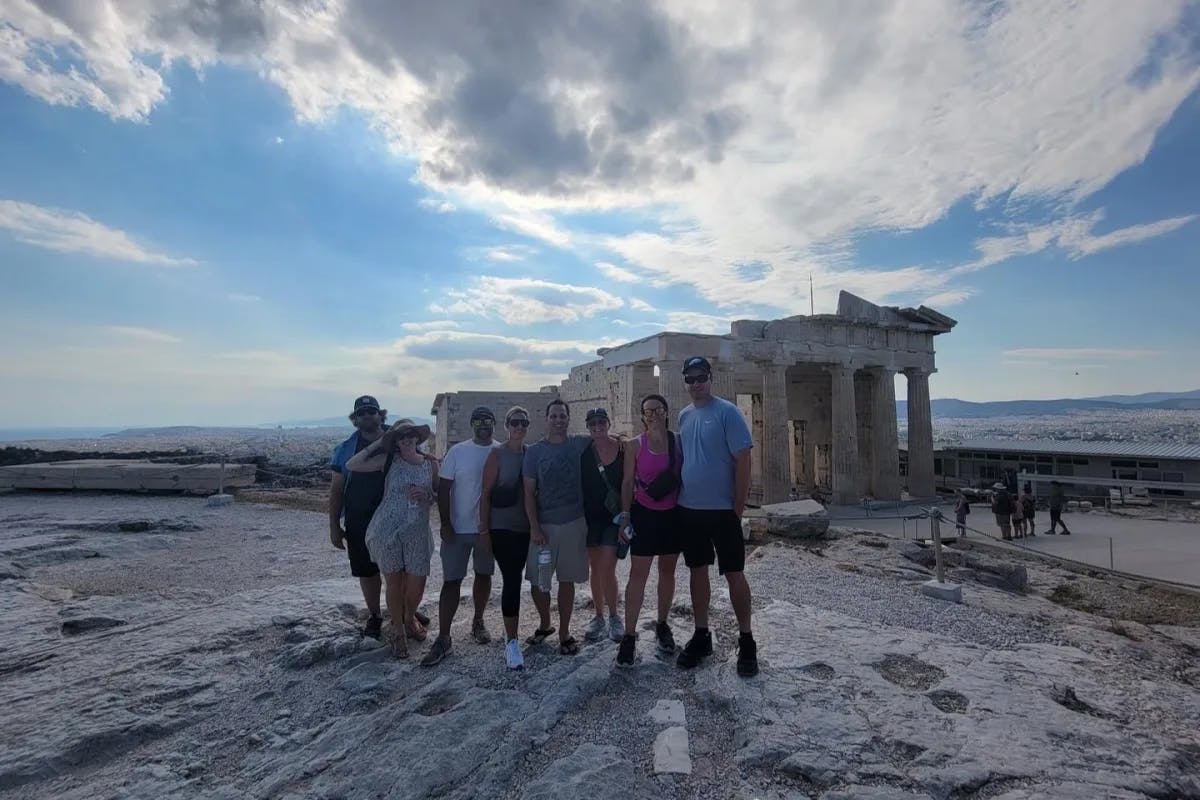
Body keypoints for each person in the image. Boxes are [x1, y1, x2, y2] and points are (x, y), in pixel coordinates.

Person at [675, 356, 758, 678]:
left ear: (711, 378)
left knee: (734, 572)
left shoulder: (727, 412)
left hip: (722, 510)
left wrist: (737, 506)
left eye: (700, 377)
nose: (695, 383)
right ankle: (701, 633)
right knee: (698, 572)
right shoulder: (684, 415)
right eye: (690, 378)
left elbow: (743, 459)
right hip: (690, 508)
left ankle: (747, 637)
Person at [345, 419, 437, 658]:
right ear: (395, 441)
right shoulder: (388, 461)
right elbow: (352, 464)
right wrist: (378, 444)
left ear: (417, 437)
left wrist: (428, 495)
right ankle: (398, 631)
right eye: (400, 436)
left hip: (417, 531)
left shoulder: (430, 464)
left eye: (410, 434)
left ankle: (409, 618)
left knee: (418, 582)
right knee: (394, 582)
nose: (406, 439)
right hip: (388, 530)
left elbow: (437, 494)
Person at [421, 406, 500, 667]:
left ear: (494, 424)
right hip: (458, 527)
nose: (483, 425)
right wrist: (445, 523)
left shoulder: (499, 451)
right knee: (451, 581)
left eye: (487, 420)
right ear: (472, 425)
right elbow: (444, 488)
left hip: (485, 529)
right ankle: (444, 636)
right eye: (478, 421)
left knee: (483, 574)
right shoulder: (458, 452)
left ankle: (478, 620)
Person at [616, 393, 683, 666]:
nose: (652, 414)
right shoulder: (634, 445)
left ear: (666, 412)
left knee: (667, 571)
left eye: (657, 409)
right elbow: (627, 480)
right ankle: (629, 635)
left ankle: (662, 623)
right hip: (644, 514)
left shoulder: (677, 441)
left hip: (673, 514)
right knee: (638, 575)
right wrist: (625, 517)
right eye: (647, 411)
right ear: (642, 416)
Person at [523, 399, 593, 656]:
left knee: (567, 580)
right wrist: (534, 527)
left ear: (568, 418)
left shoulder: (577, 443)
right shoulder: (534, 452)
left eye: (562, 416)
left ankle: (564, 631)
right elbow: (528, 492)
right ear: (547, 418)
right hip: (545, 526)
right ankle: (545, 623)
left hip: (574, 522)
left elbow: (605, 436)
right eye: (554, 416)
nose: (558, 420)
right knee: (539, 582)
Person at [328, 395, 387, 638]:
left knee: (400, 568)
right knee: (367, 570)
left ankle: (406, 610)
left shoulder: (398, 438)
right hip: (359, 516)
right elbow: (336, 489)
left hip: (393, 513)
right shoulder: (345, 449)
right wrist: (334, 525)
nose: (367, 416)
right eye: (362, 413)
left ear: (379, 414)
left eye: (371, 412)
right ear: (356, 418)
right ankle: (375, 614)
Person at [480, 406, 533, 670]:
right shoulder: (496, 454)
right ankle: (512, 641)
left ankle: (532, 628)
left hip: (527, 528)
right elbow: (485, 493)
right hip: (502, 528)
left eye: (523, 423)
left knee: (527, 579)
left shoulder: (529, 453)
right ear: (506, 425)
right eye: (514, 422)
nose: (519, 427)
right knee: (511, 579)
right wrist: (483, 531)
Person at [580, 407, 624, 643]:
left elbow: (627, 481)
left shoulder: (622, 448)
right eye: (592, 423)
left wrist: (628, 513)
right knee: (595, 567)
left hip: (613, 518)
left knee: (608, 566)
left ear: (608, 423)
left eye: (601, 422)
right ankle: (599, 615)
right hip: (589, 516)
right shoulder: (584, 450)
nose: (597, 426)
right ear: (588, 426)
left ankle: (615, 615)